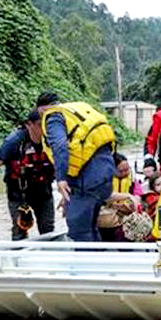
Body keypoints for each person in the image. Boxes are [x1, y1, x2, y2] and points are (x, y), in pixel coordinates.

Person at [36, 91, 116, 242]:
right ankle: (97, 261)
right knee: (91, 226)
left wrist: (61, 179)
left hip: (86, 178)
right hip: (106, 172)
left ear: (42, 110)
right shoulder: (78, 109)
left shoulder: (53, 117)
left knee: (79, 230)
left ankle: (86, 264)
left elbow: (59, 146)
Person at [0, 110, 55, 240]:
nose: (45, 129)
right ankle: (18, 256)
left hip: (43, 190)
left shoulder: (52, 140)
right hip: (18, 193)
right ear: (29, 124)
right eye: (41, 124)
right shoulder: (14, 142)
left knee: (48, 229)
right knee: (19, 230)